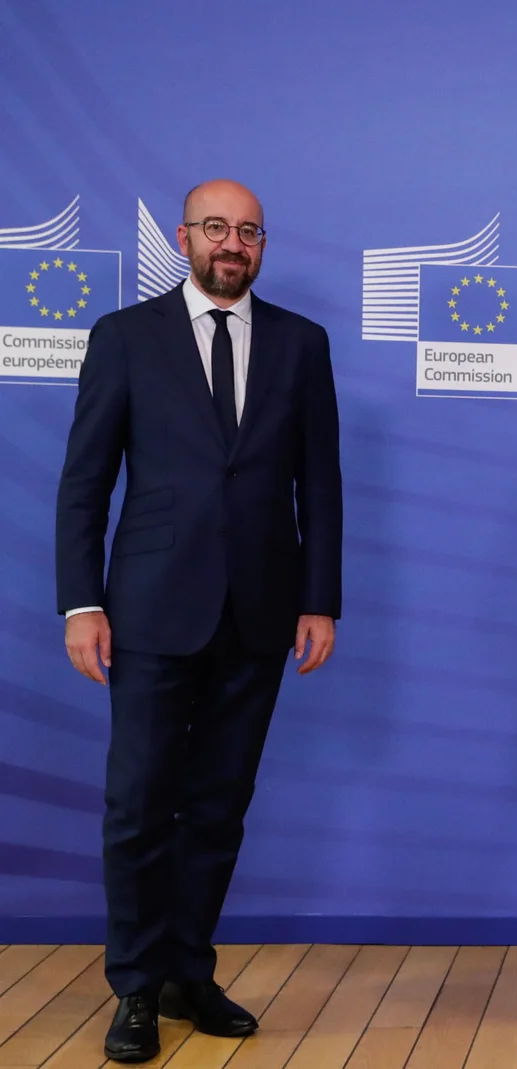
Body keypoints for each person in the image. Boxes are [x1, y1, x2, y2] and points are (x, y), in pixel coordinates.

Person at [55, 179, 342, 1063]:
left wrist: (319, 597)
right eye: (216, 227)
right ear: (184, 236)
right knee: (139, 803)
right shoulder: (125, 338)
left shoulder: (301, 342)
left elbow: (320, 485)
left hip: (259, 614)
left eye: (248, 231)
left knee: (218, 806)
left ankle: (188, 969)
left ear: (263, 244)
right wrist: (82, 600)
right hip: (146, 611)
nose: (232, 243)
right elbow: (85, 481)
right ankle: (135, 987)